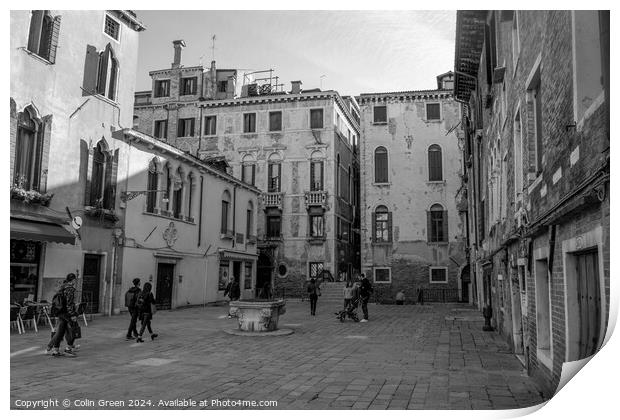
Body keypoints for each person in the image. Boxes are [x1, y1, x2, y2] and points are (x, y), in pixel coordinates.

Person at [45, 273, 78, 357]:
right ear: (73, 280)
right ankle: (68, 349)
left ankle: (55, 349)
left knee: (60, 331)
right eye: (75, 279)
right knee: (73, 330)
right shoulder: (70, 289)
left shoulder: (62, 287)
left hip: (60, 312)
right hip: (66, 313)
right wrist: (72, 314)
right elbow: (69, 304)